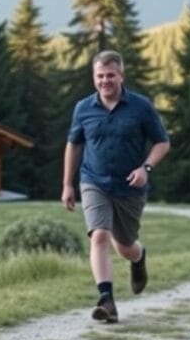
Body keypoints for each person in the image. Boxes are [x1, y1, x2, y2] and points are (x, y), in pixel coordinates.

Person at [61, 50, 170, 323]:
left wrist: (145, 168)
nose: (105, 81)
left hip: (130, 187)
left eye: (110, 75)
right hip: (93, 181)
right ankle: (106, 301)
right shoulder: (83, 108)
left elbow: (162, 142)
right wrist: (67, 184)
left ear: (121, 76)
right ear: (93, 77)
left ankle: (139, 257)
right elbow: (74, 145)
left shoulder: (140, 107)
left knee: (124, 246)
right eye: (100, 76)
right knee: (99, 236)